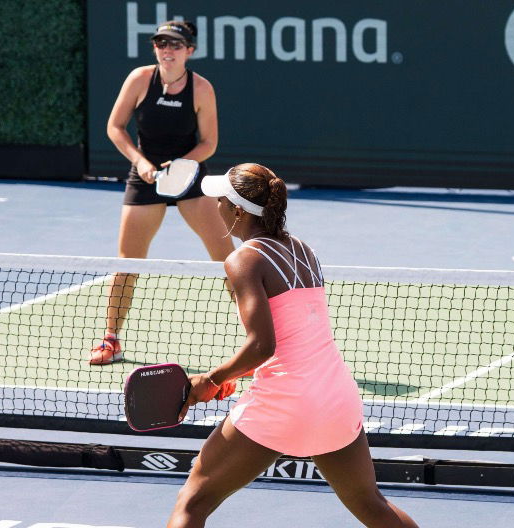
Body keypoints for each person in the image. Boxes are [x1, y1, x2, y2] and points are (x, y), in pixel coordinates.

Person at [168, 164, 417, 527]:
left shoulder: (242, 259)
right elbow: (295, 336)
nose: (216, 206)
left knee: (192, 502)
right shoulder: (304, 250)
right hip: (336, 399)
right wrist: (240, 372)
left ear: (237, 210)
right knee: (371, 504)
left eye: (221, 200)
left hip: (284, 403)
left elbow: (261, 346)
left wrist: (210, 378)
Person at [93, 20, 234, 365]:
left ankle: (263, 342)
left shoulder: (201, 89)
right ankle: (110, 339)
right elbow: (115, 127)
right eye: (161, 44)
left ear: (190, 51)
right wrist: (141, 162)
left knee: (230, 262)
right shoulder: (140, 80)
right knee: (127, 263)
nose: (167, 50)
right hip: (146, 177)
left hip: (190, 179)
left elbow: (209, 143)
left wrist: (181, 166)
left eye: (175, 45)